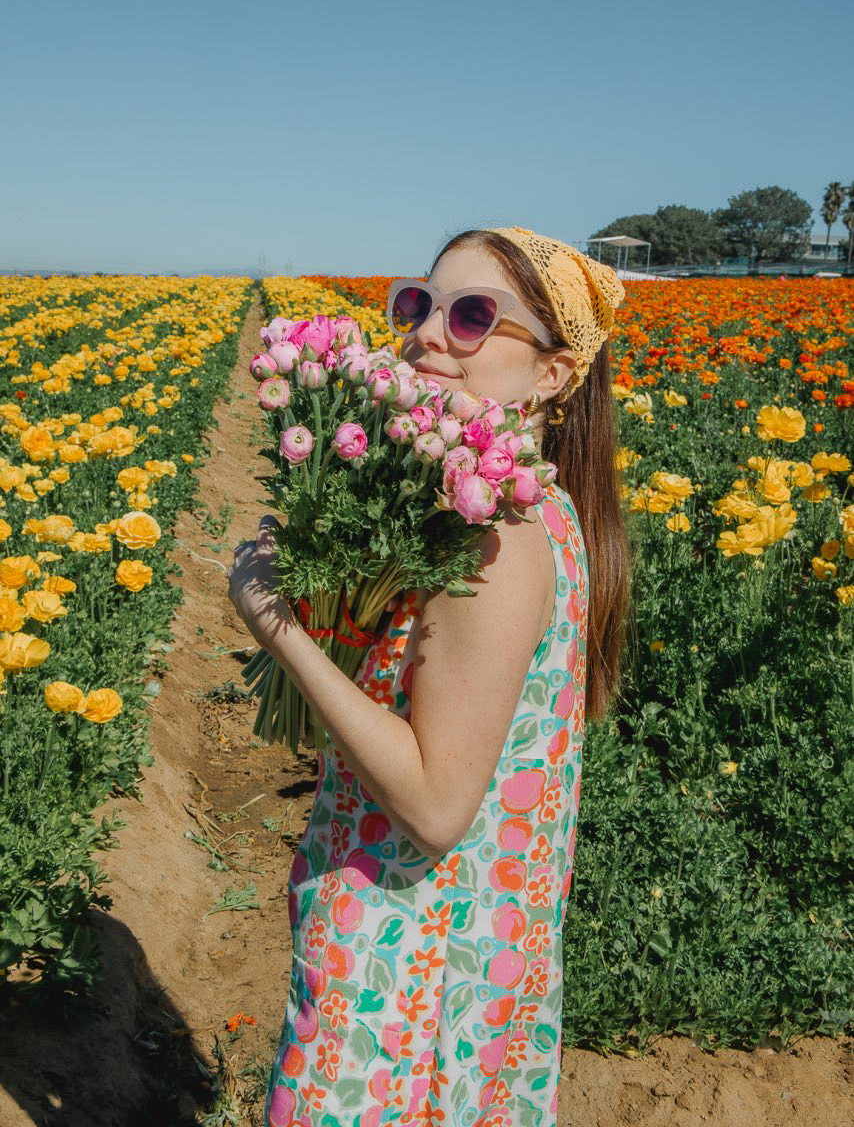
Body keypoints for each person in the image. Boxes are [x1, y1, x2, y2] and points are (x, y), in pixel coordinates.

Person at [227, 225, 632, 1126]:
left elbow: (438, 803)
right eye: (419, 302)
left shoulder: (499, 541)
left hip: (407, 985)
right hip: (460, 971)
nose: (426, 333)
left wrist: (277, 626)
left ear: (552, 376)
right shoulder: (526, 514)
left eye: (474, 316)